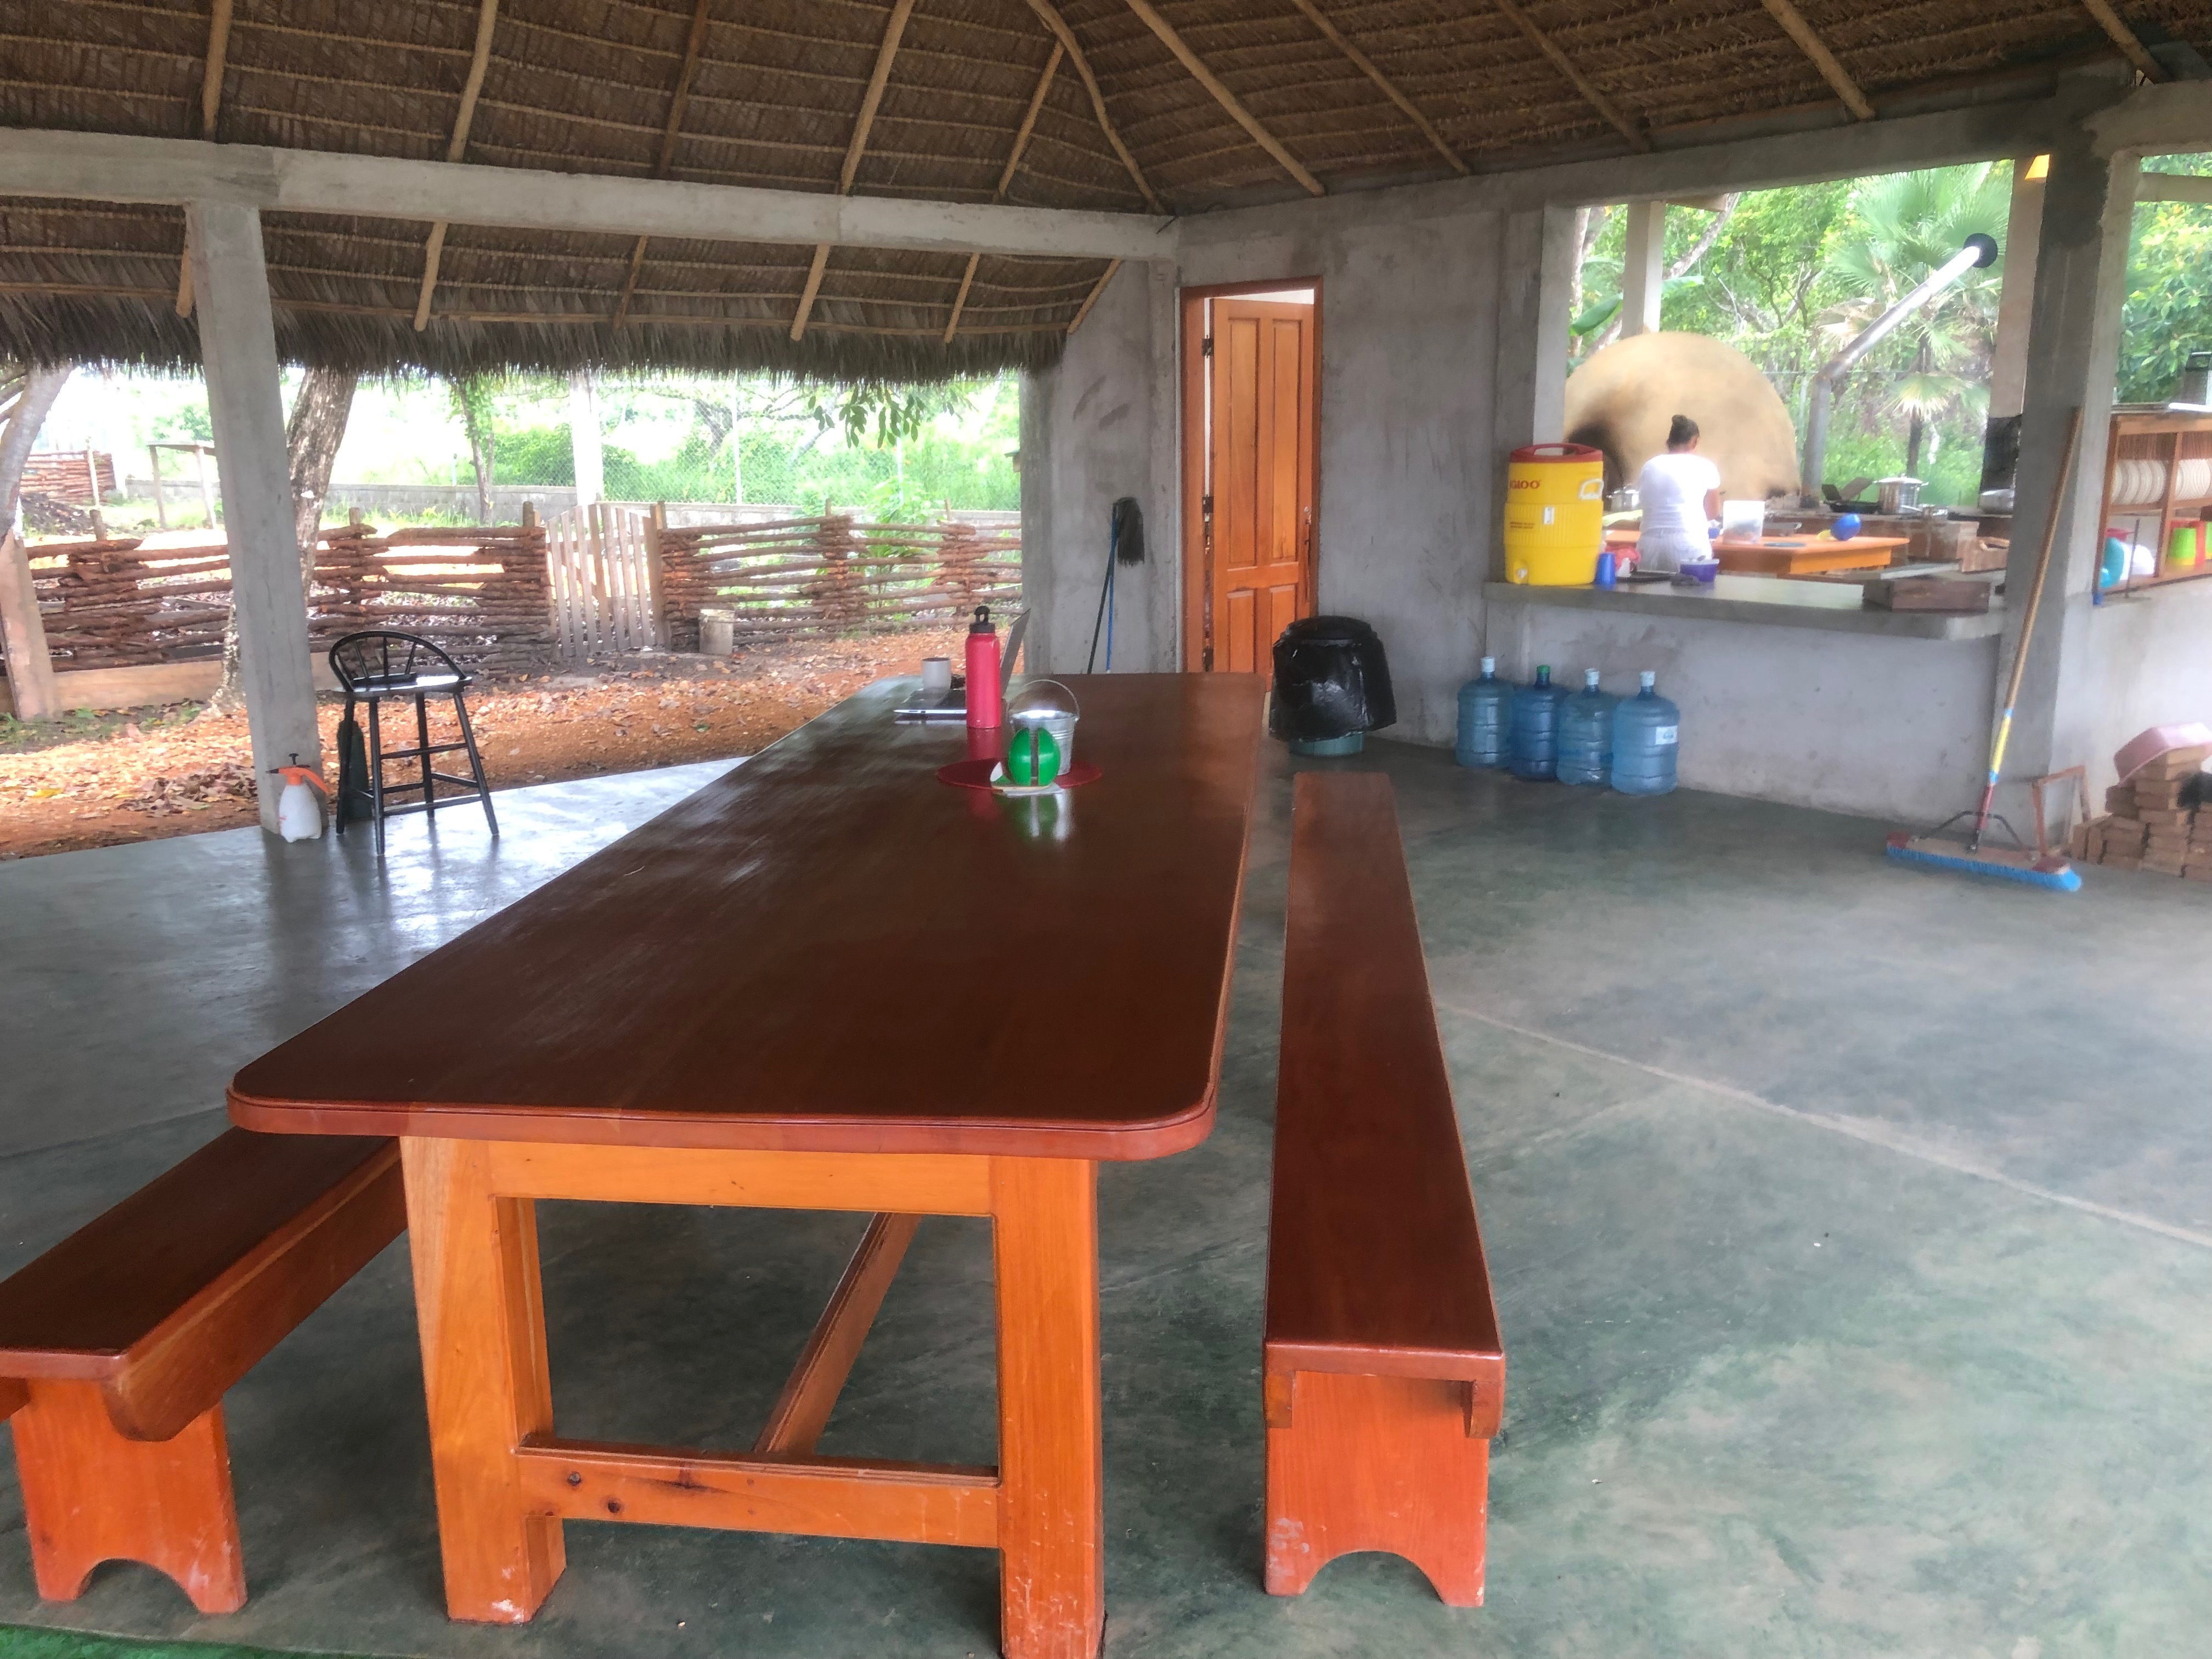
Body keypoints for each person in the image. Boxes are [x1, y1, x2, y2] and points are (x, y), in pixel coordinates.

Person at [1633, 414, 1724, 574]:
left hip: (1649, 545)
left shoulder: (1649, 466)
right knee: (1691, 590)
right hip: (1688, 543)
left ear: (1668, 442)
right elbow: (1712, 513)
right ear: (1695, 441)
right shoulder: (1705, 467)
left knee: (1649, 590)